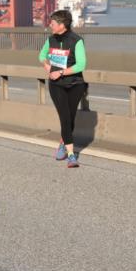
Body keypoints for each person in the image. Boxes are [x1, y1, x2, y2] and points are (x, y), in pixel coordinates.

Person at [38, 9, 88, 168]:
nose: (50, 25)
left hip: (75, 85)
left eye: (52, 23)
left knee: (70, 118)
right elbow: (41, 56)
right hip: (56, 85)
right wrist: (48, 68)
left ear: (61, 25)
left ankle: (63, 142)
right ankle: (72, 156)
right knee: (65, 117)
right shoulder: (50, 39)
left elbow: (81, 64)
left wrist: (60, 72)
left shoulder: (77, 41)